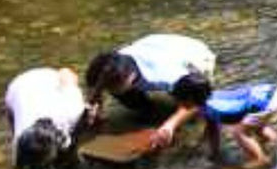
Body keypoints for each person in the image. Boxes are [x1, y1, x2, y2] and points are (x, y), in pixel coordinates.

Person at [84, 34, 216, 150]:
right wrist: (96, 111)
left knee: (195, 107)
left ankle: (169, 120)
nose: (107, 92)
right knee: (130, 100)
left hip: (196, 55)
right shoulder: (111, 66)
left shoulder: (163, 77)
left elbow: (196, 99)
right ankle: (150, 112)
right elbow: (95, 87)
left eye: (110, 88)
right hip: (159, 46)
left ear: (130, 78)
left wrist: (170, 125)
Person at [202, 82, 277, 169]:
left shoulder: (209, 108)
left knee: (239, 131)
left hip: (264, 101)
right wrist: (214, 153)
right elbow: (212, 129)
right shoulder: (212, 97)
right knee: (255, 125)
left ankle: (260, 159)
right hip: (271, 91)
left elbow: (213, 129)